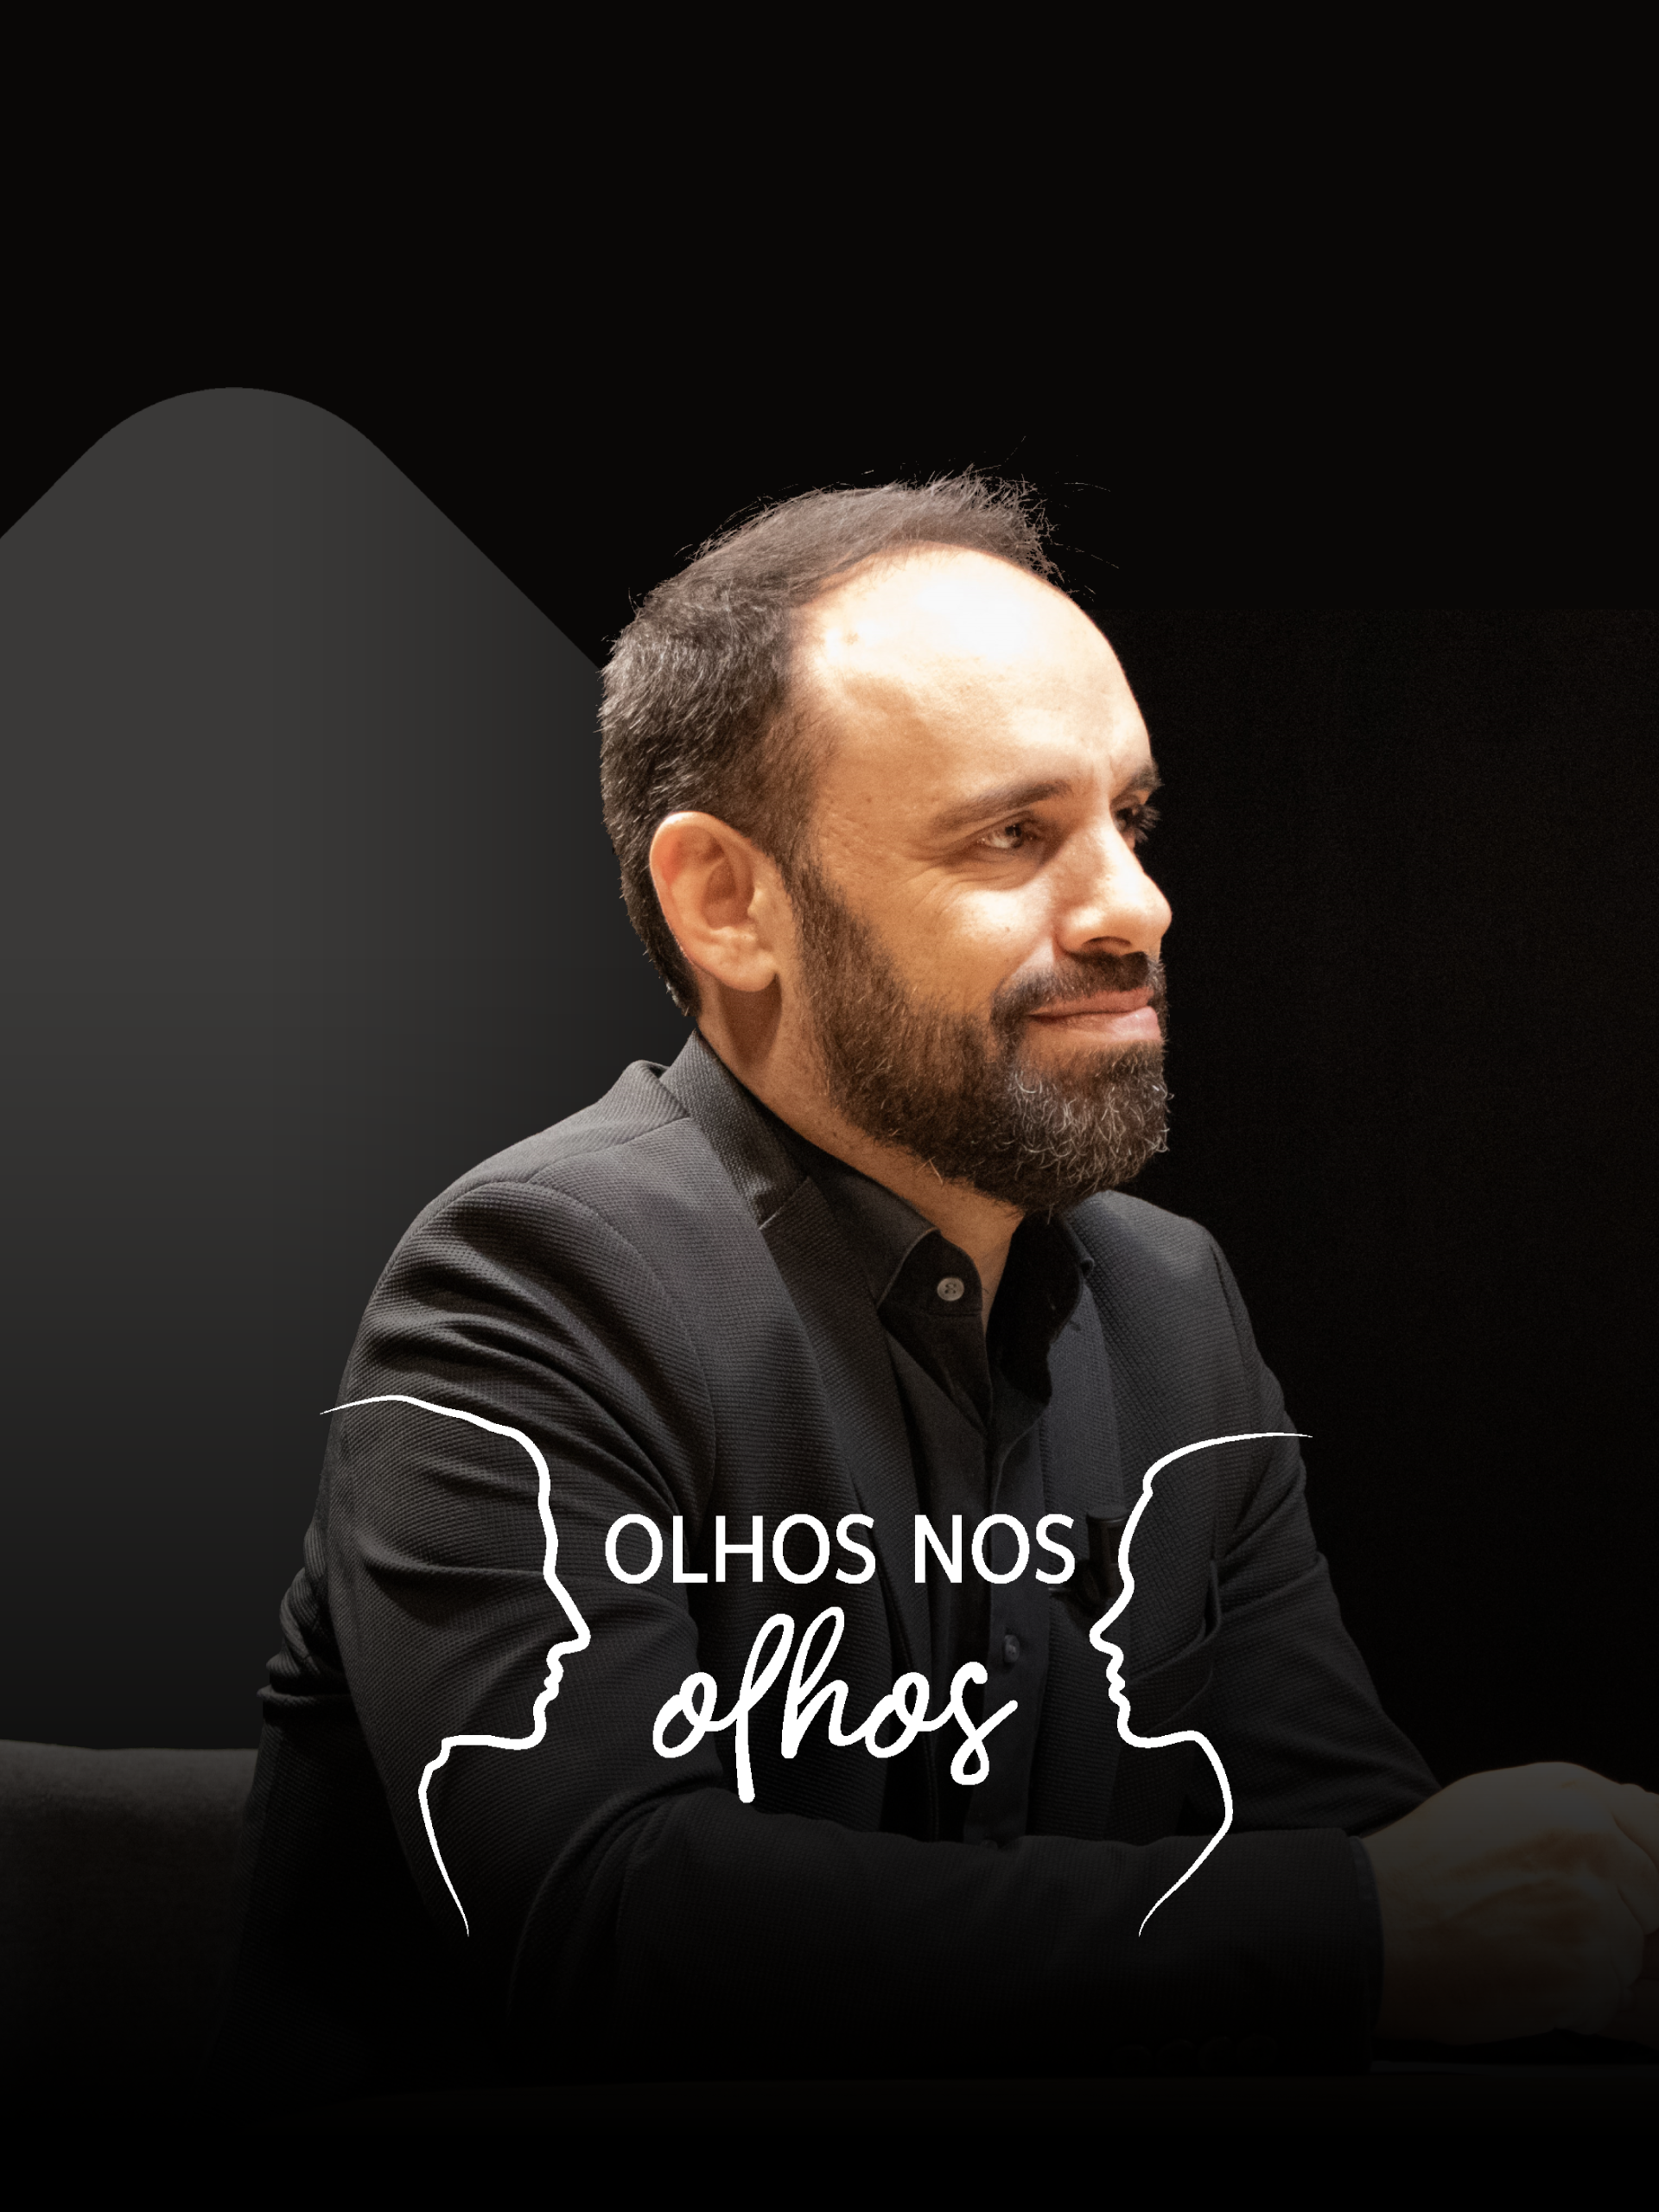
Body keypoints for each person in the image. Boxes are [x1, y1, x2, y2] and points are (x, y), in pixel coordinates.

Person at [211, 478, 1659, 2101]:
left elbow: (1346, 1845)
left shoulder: (1172, 1301)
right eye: (1012, 836)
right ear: (727, 903)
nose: (1137, 905)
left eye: (1131, 820)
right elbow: (606, 1925)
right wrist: (1359, 1927)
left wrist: (1567, 1921)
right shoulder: (527, 1286)